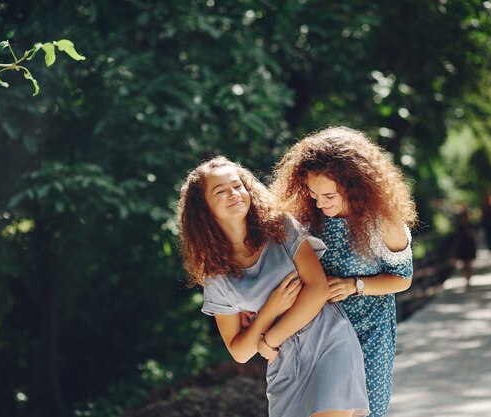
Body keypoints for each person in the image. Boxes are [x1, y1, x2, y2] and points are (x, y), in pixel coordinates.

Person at [178, 156, 369, 417]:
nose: (234, 194)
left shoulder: (280, 227)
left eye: (237, 186)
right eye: (221, 191)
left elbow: (317, 289)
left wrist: (269, 339)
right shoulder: (216, 277)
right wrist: (269, 311)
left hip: (328, 340)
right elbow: (240, 352)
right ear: (204, 208)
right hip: (284, 363)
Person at [269, 126, 416, 417]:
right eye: (312, 194)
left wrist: (355, 285)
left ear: (355, 184)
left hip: (369, 333)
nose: (320, 203)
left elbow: (403, 279)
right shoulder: (307, 216)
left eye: (328, 195)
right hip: (318, 334)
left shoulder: (383, 220)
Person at [453, 207, 477, 289]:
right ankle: (466, 280)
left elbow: (474, 234)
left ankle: (468, 280)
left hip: (469, 247)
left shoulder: (470, 225)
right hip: (463, 247)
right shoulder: (459, 227)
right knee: (465, 265)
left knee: (469, 264)